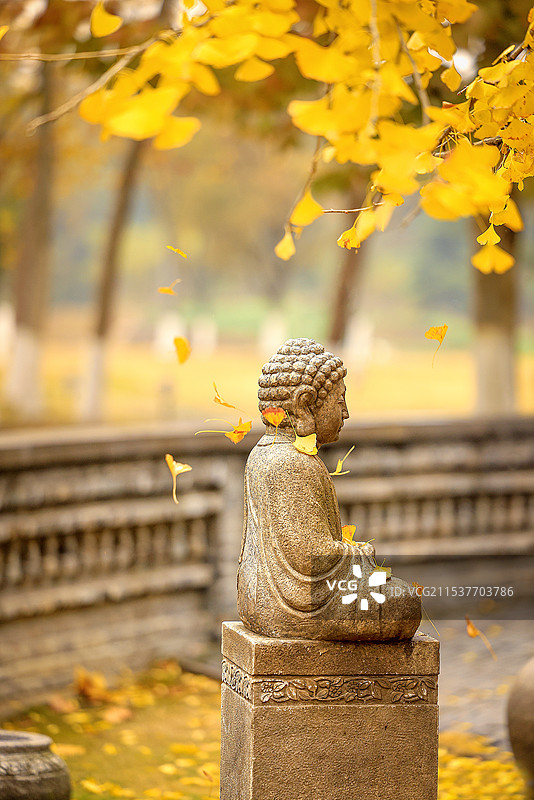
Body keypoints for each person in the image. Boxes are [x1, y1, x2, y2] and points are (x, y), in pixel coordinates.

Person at [237, 338, 421, 640]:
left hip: (258, 601)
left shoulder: (263, 452)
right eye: (339, 401)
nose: (346, 413)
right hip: (294, 607)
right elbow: (310, 556)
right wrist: (361, 552)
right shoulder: (292, 463)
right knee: (403, 601)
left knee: (394, 592)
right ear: (305, 404)